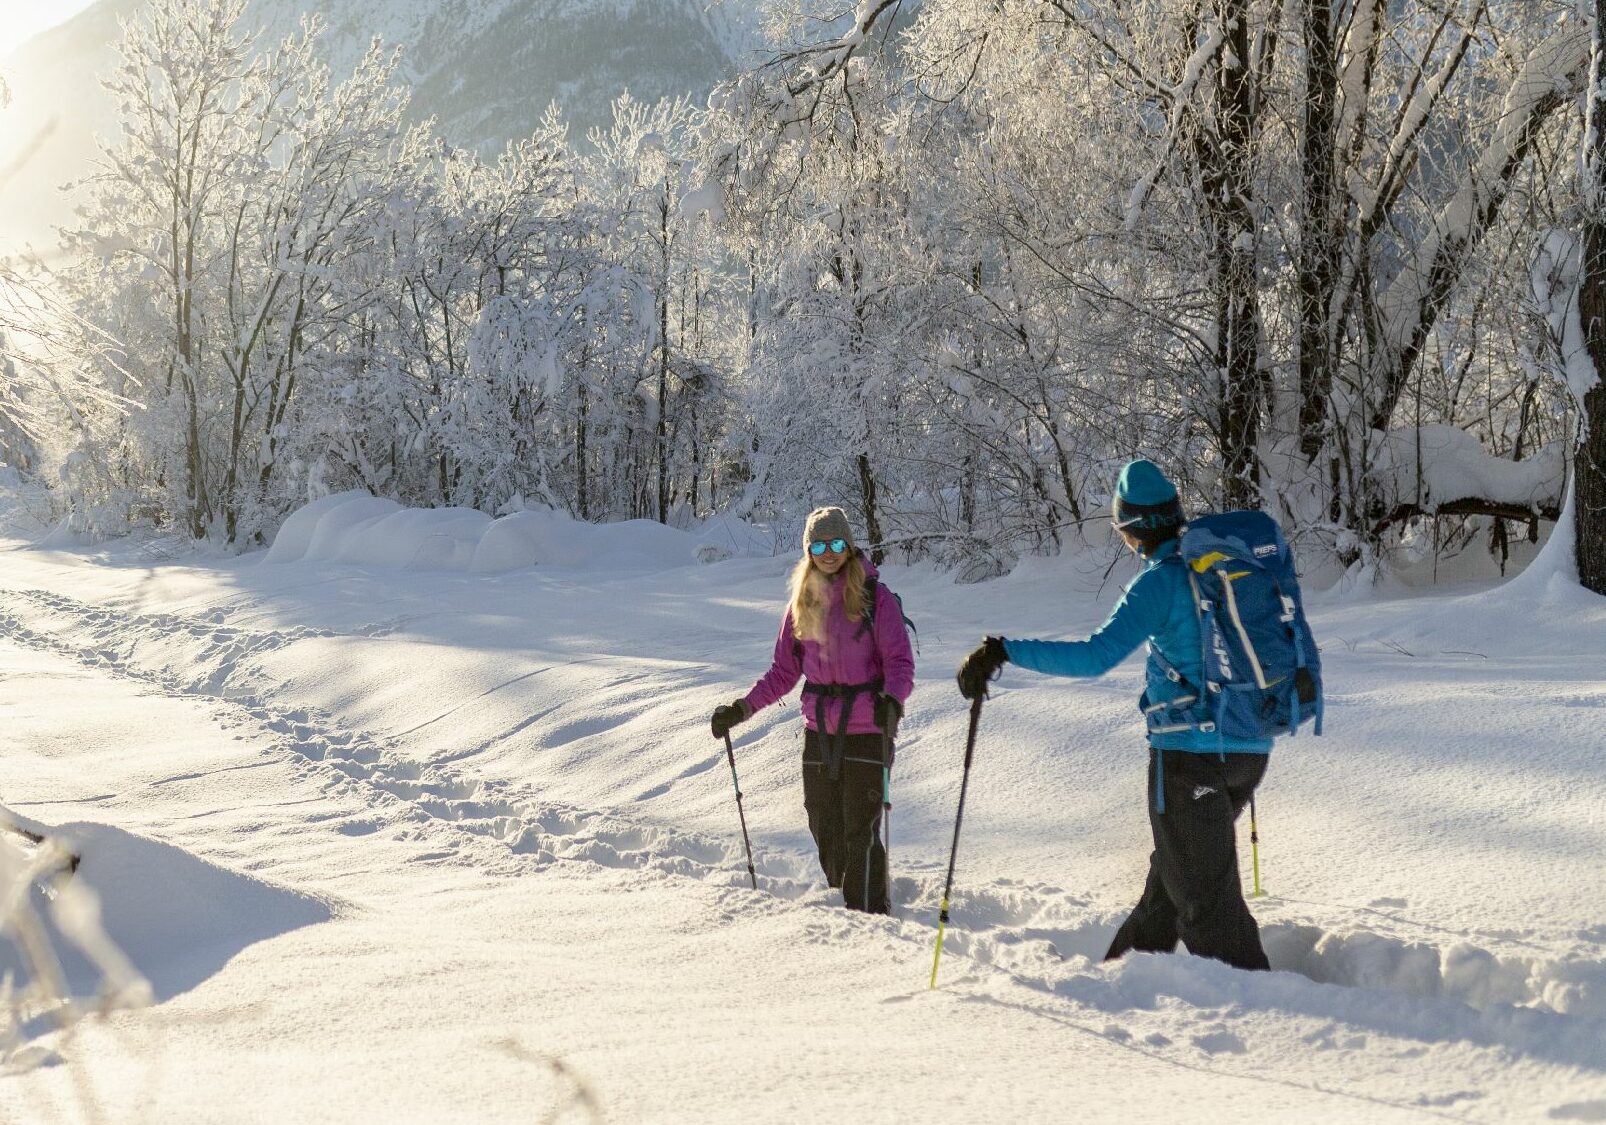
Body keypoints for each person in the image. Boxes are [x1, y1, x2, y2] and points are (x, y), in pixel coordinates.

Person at [955, 459, 1272, 971]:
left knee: (1205, 904)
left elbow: (1094, 657)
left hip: (1190, 756)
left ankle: (1268, 1009)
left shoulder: (1160, 584)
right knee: (1173, 879)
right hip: (1248, 747)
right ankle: (1117, 976)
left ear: (1132, 530)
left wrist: (1004, 651)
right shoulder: (1216, 569)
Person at [710, 507, 915, 914]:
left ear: (849, 546)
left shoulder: (876, 598)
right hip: (818, 728)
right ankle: (845, 890)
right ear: (808, 550)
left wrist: (892, 702)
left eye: (837, 543)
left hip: (868, 726)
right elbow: (783, 671)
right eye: (819, 545)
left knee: (860, 828)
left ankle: (870, 914)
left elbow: (900, 663)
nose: (829, 553)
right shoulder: (802, 603)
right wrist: (741, 709)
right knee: (822, 821)